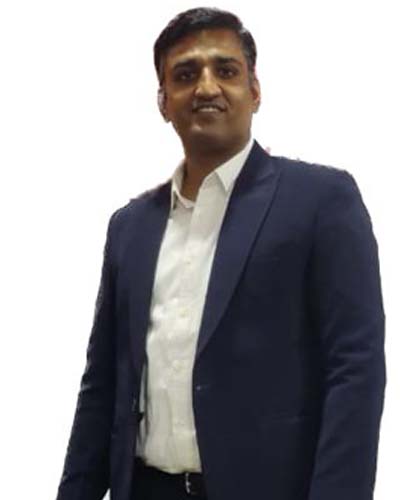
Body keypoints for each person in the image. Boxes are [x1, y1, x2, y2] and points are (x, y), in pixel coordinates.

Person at [55, 7, 386, 500]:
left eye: (226, 71)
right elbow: (103, 384)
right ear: (163, 102)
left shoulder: (320, 201)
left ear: (255, 90)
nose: (206, 87)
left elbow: (355, 370)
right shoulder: (130, 227)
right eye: (185, 75)